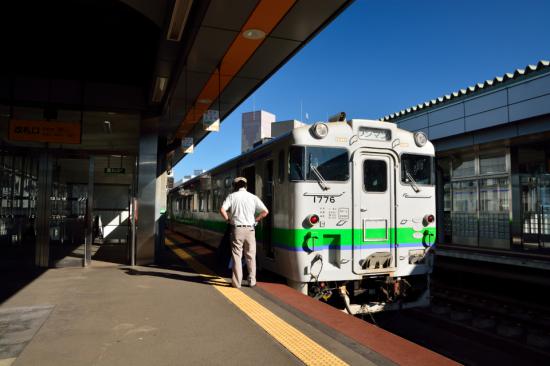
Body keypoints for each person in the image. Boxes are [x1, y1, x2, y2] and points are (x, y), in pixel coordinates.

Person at [219, 177, 269, 288]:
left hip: (237, 229)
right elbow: (265, 211)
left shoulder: (232, 196)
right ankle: (252, 281)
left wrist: (228, 219)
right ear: (246, 186)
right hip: (250, 229)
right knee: (250, 256)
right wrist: (256, 219)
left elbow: (222, 209)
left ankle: (237, 283)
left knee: (237, 256)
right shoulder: (253, 197)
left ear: (235, 186)